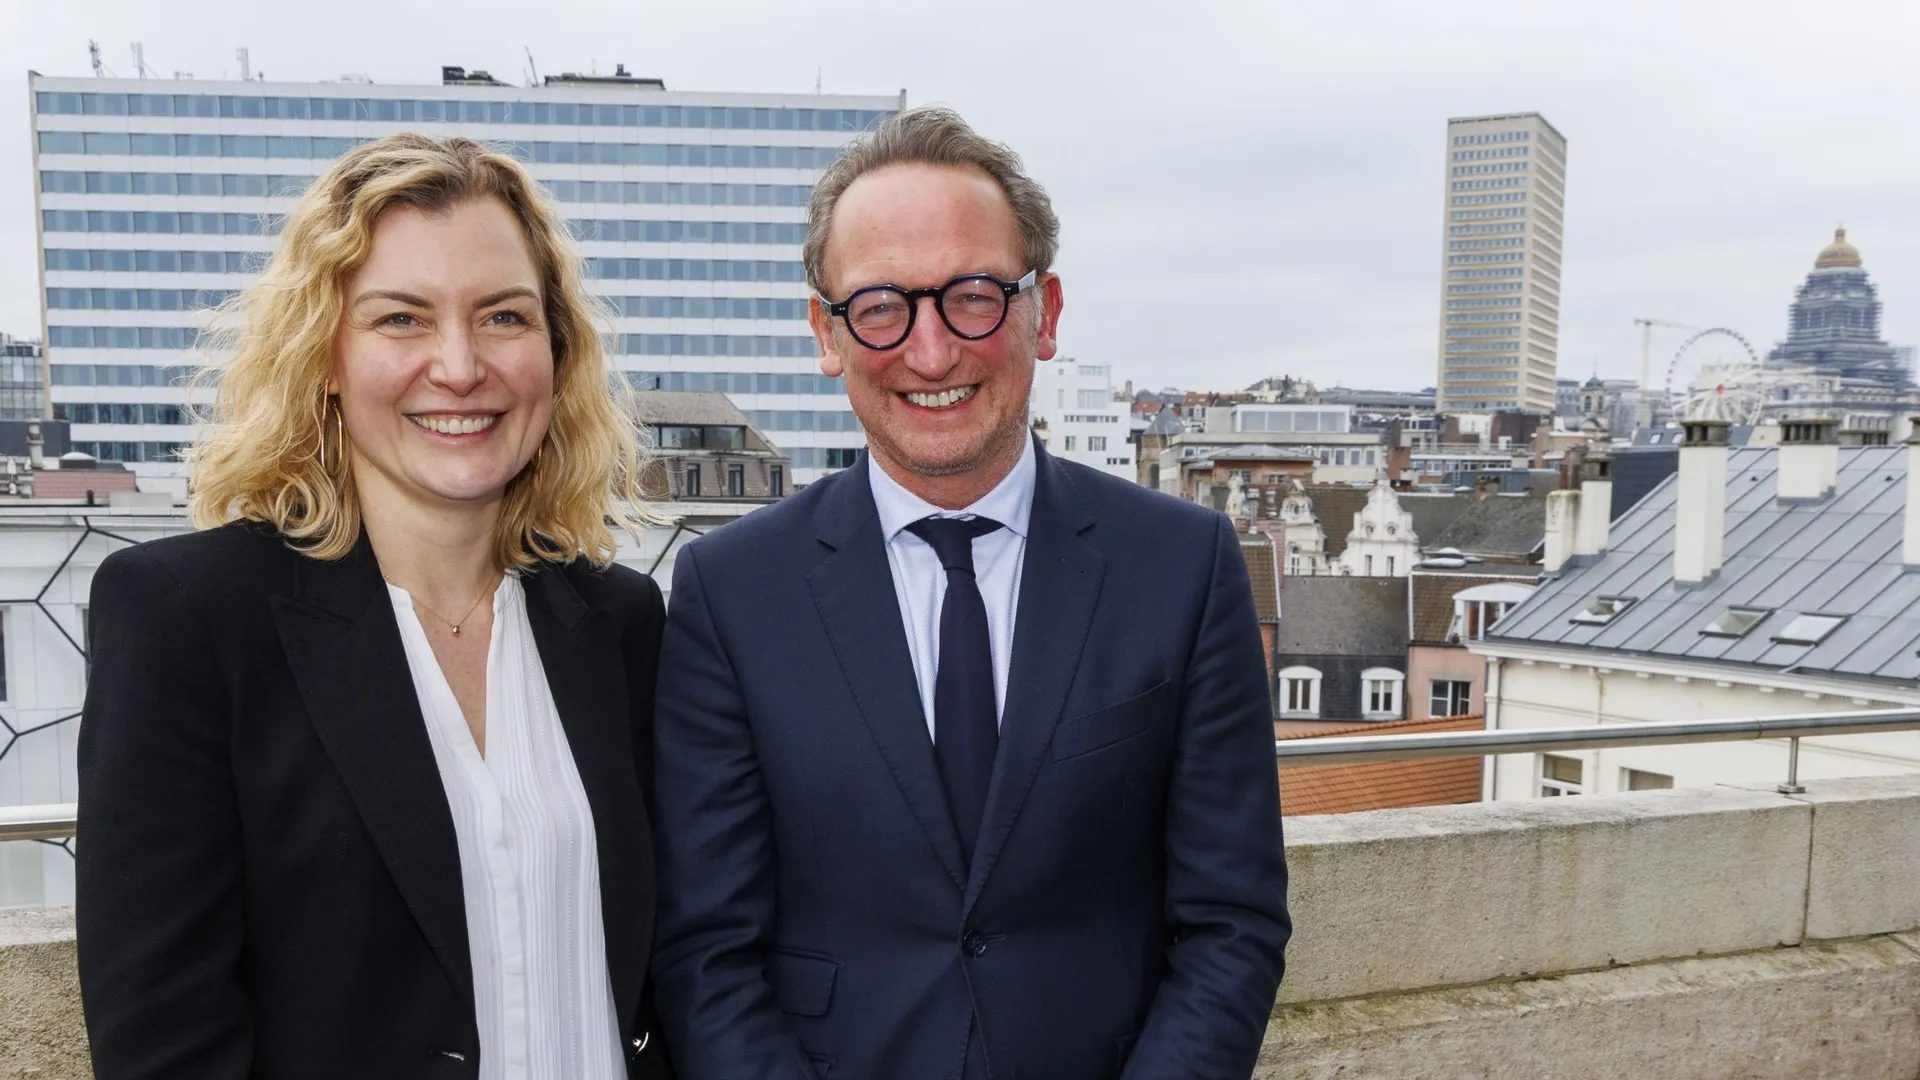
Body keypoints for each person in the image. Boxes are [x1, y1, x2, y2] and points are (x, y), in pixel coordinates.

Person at [650, 107, 1290, 1080]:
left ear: (1046, 312)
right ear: (826, 332)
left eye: (974, 296)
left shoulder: (1183, 566)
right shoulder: (730, 591)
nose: (932, 352)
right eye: (881, 307)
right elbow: (707, 953)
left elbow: (1231, 923)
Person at [76, 134, 674, 1079]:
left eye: (504, 316)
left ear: (556, 353)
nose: (459, 366)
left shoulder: (622, 623)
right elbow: (164, 1038)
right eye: (401, 318)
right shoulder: (188, 619)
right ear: (325, 355)